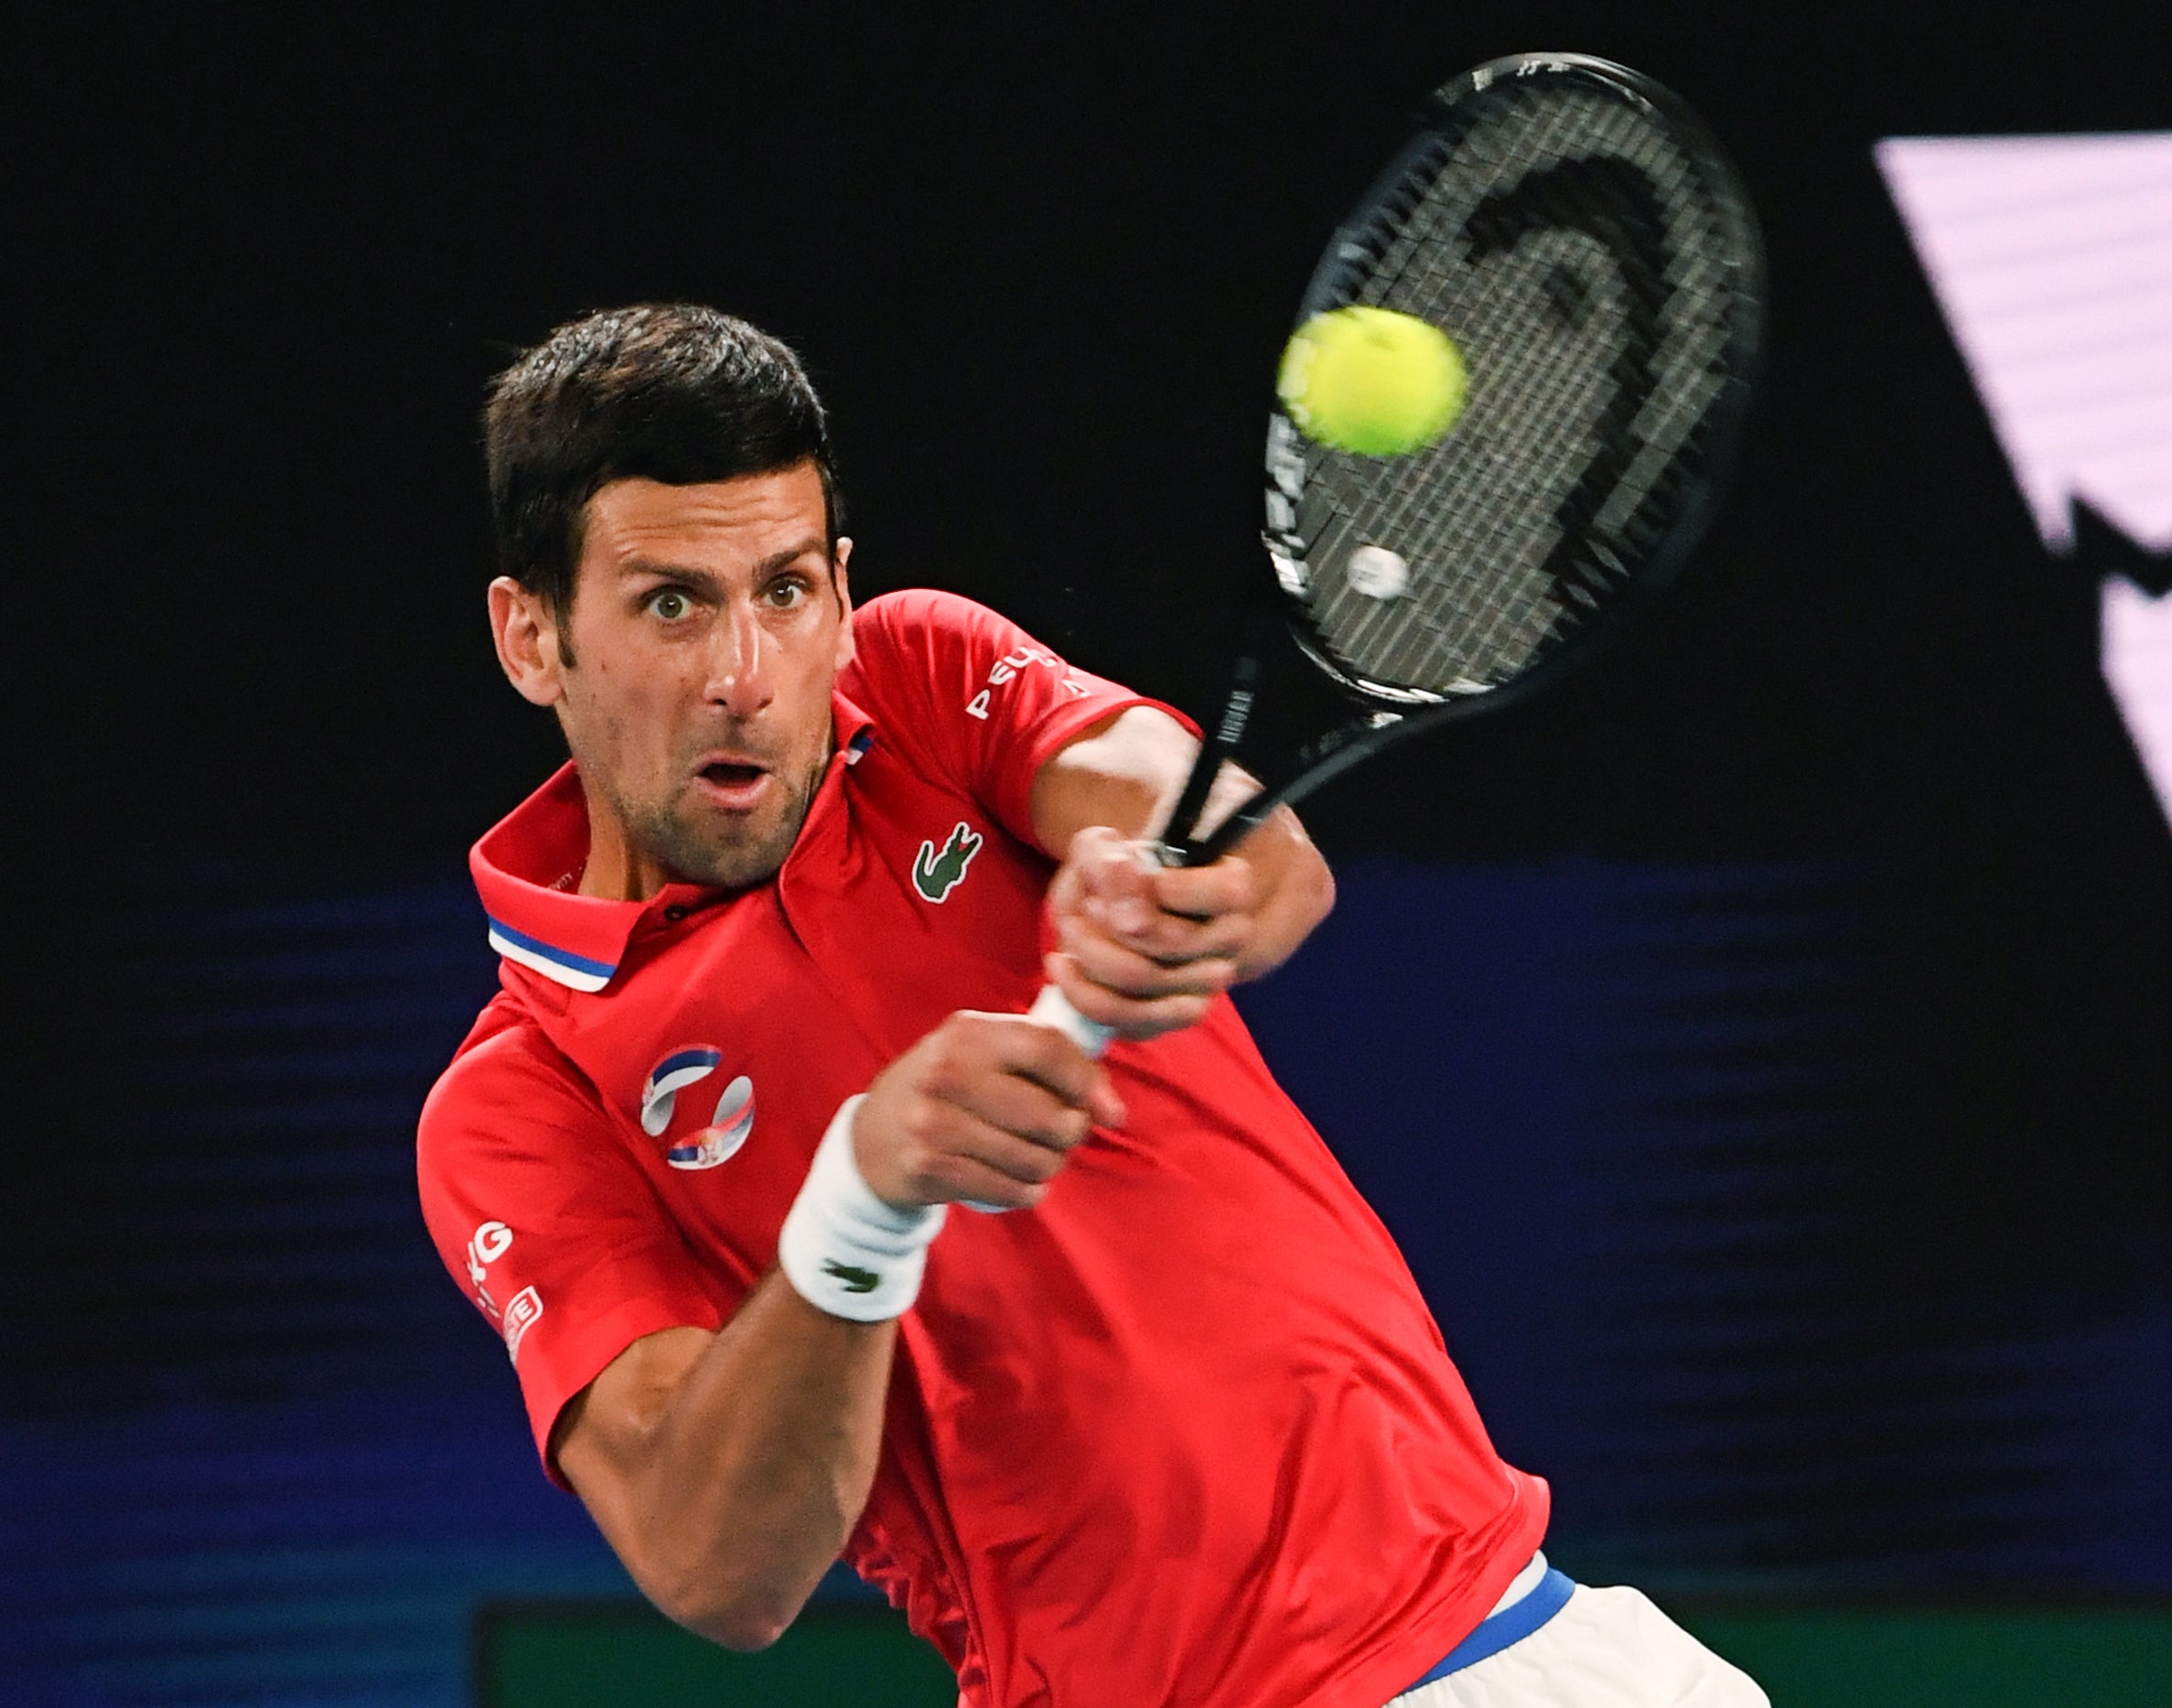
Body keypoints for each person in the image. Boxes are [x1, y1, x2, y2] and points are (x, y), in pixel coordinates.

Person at [416, 303, 1765, 1708]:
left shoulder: (921, 679)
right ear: (532, 638)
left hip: (1522, 1645)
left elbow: (1240, 839)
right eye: (671, 604)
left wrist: (1177, 891)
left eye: (787, 588)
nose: (746, 677)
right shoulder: (522, 1102)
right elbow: (717, 1570)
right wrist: (862, 1201)